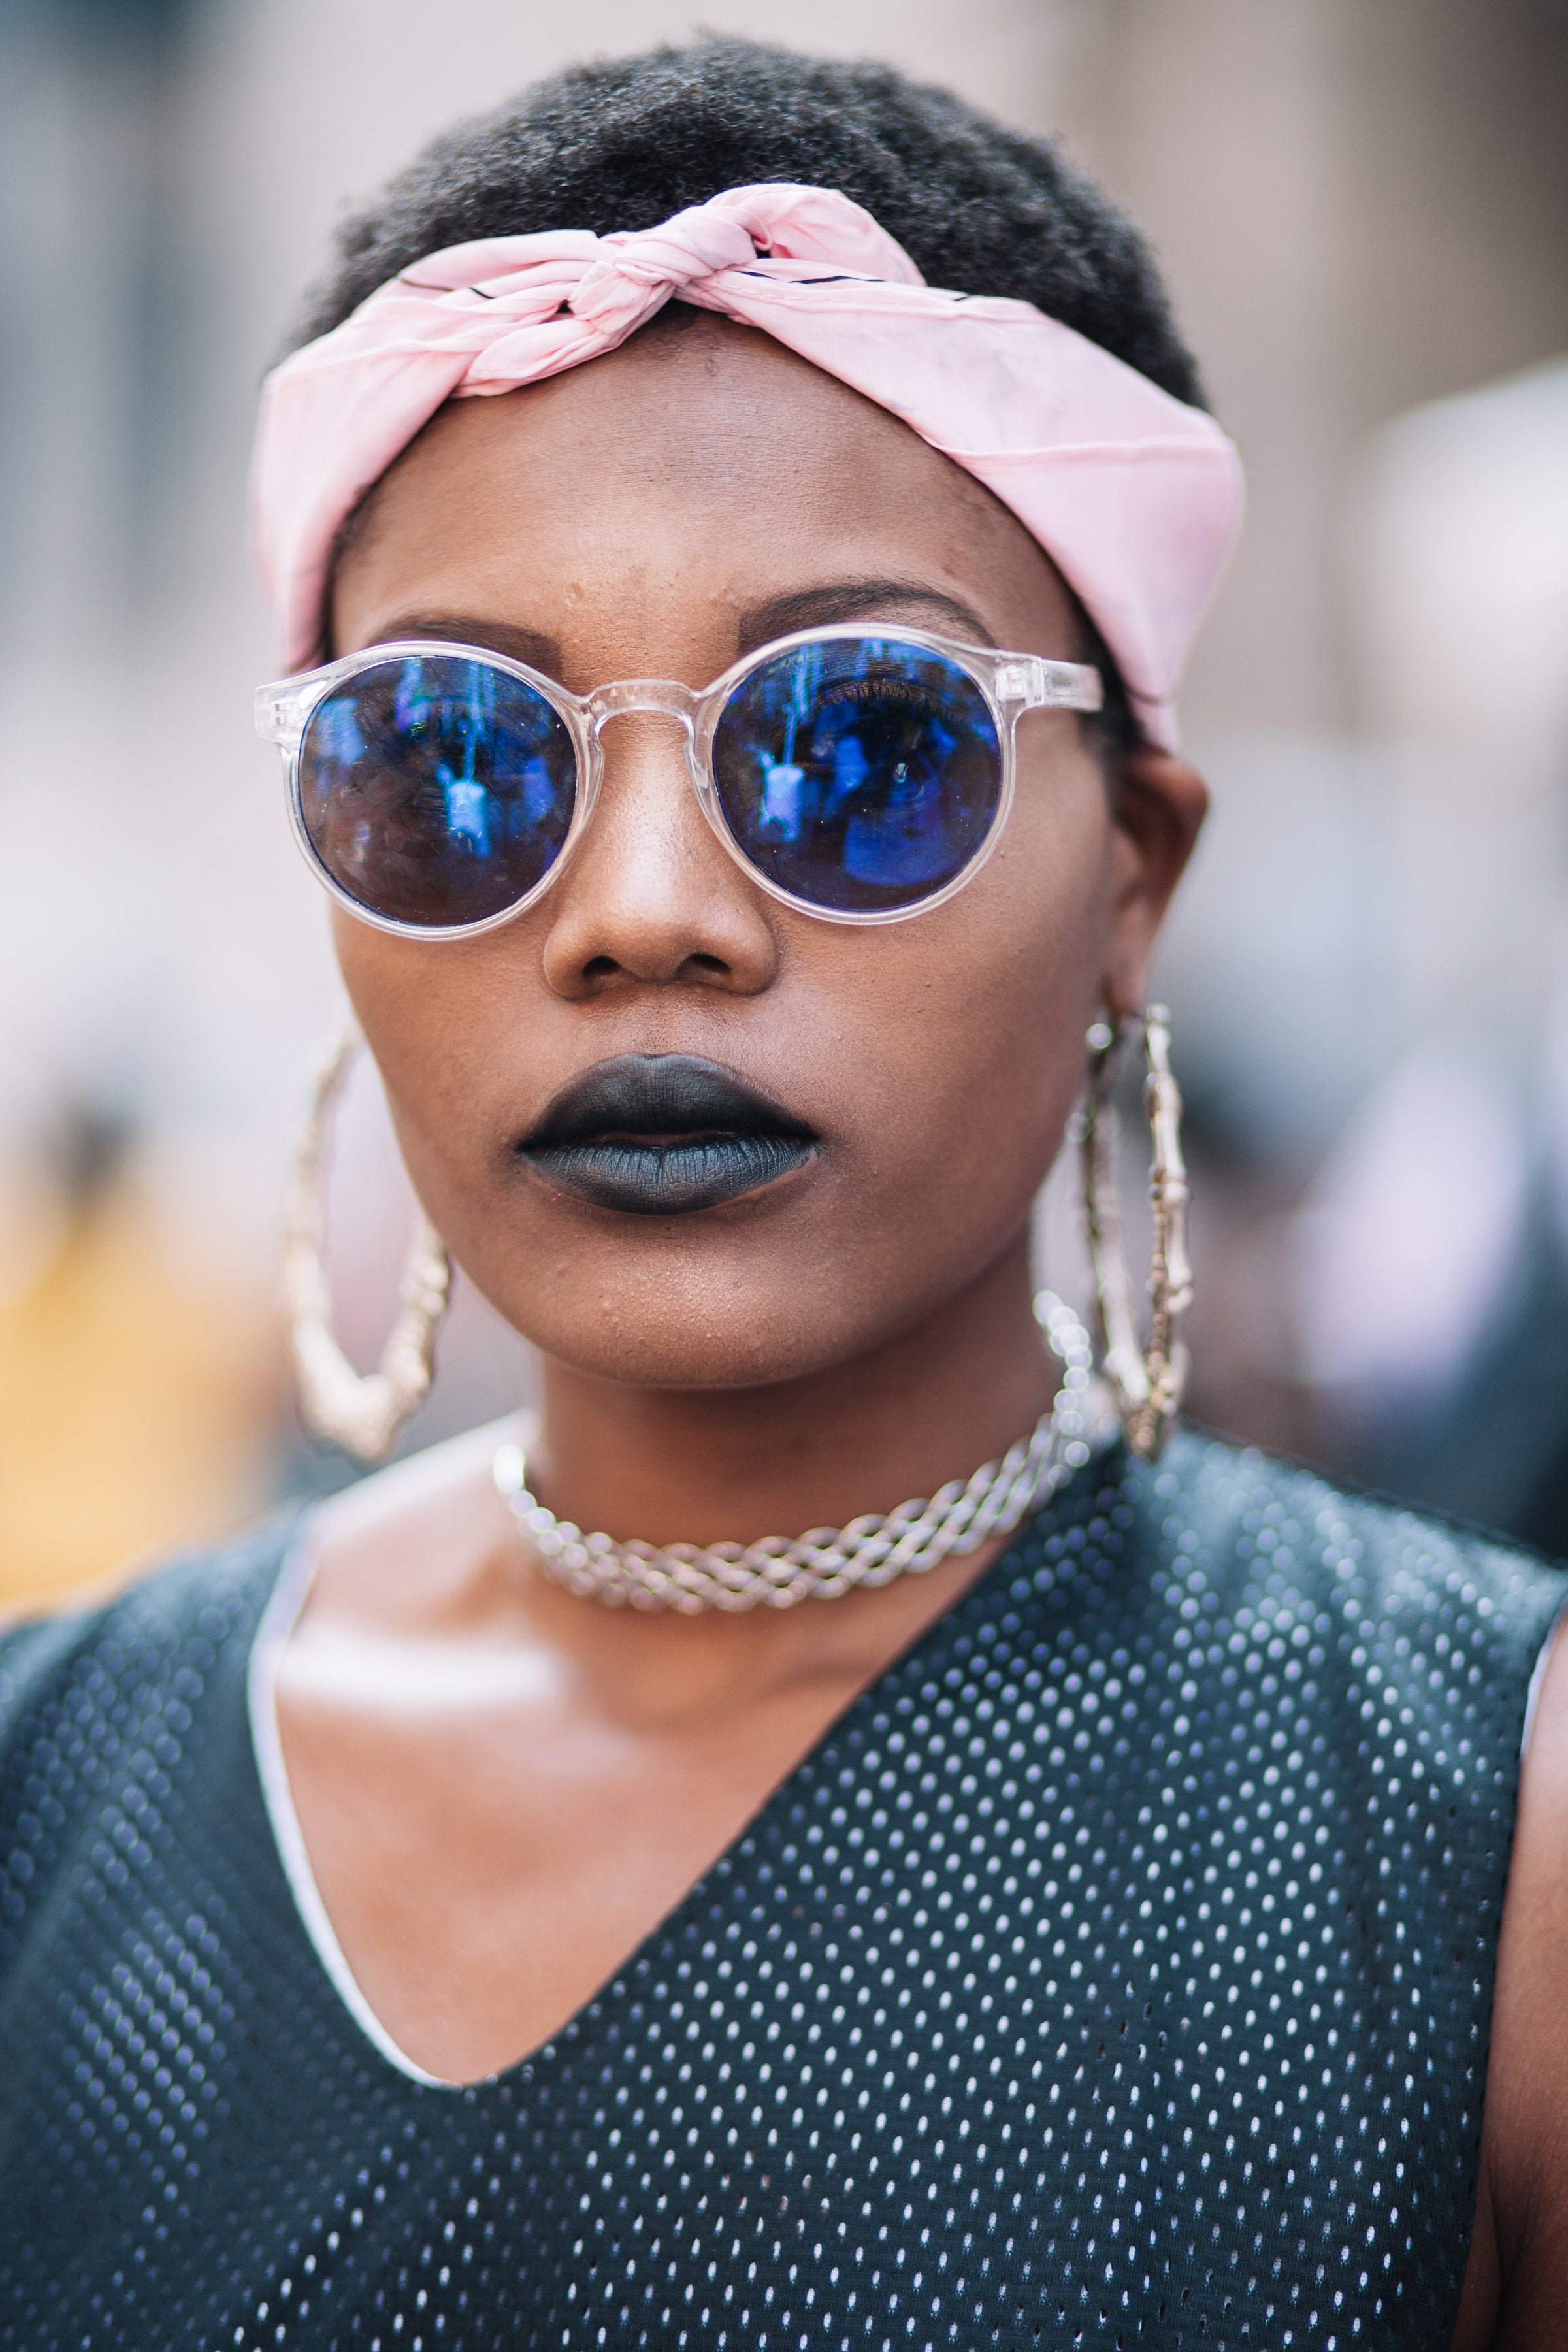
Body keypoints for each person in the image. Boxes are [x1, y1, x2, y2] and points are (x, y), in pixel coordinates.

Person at [1, 37, 1565, 2351]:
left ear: (1132, 879)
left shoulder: (1486, 1843)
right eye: (452, 759)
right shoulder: (48, 1794)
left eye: (859, 746)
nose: (643, 911)